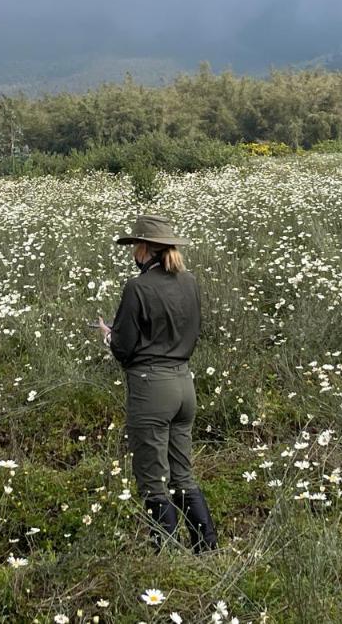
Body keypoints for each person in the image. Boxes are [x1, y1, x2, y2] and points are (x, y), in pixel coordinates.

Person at [96, 213, 218, 554]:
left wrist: (109, 337)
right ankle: (206, 550)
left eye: (136, 244)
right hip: (184, 385)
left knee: (152, 481)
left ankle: (163, 557)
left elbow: (124, 347)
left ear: (146, 249)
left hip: (152, 388)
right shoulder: (189, 281)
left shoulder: (138, 287)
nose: (133, 251)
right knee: (183, 475)